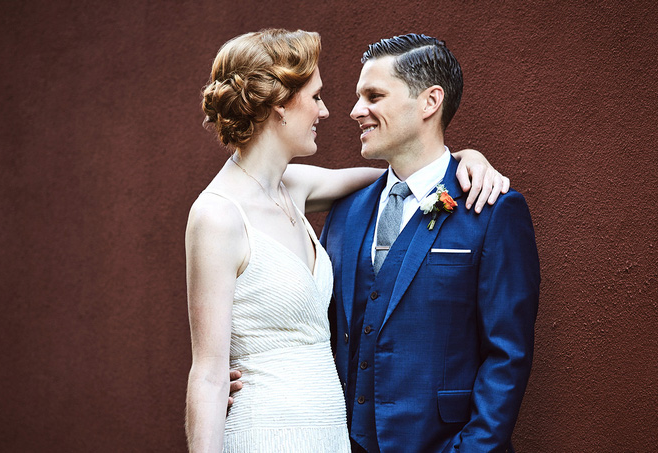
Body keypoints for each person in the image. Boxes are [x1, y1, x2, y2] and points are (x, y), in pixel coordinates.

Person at [184, 29, 509, 453]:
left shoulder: (294, 186)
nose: (329, 111)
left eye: (371, 97)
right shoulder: (217, 214)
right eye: (316, 97)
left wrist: (468, 159)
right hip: (267, 430)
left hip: (330, 436)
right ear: (280, 104)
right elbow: (207, 374)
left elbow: (408, 180)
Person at [320, 34, 540, 452]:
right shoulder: (344, 211)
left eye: (374, 95)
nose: (355, 111)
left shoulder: (491, 209)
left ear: (429, 101)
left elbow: (507, 355)